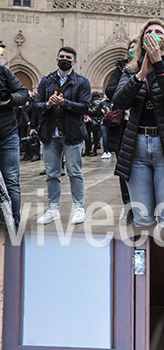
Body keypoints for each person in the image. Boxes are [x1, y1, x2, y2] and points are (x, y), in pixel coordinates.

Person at [111, 19, 164, 229]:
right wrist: (140, 75)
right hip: (136, 147)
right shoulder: (130, 71)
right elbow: (119, 101)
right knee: (142, 219)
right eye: (149, 32)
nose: (154, 35)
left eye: (159, 32)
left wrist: (159, 66)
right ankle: (145, 261)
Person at [34, 46, 91, 225]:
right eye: (61, 56)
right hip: (51, 134)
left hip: (71, 134)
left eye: (68, 57)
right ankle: (52, 208)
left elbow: (84, 107)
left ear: (74, 61)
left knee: (74, 172)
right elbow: (35, 105)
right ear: (56, 59)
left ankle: (79, 207)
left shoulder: (82, 82)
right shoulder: (46, 81)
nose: (64, 59)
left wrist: (64, 102)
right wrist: (48, 104)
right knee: (52, 173)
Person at [105, 38, 138, 211]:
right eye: (130, 48)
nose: (133, 51)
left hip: (141, 125)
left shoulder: (147, 67)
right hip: (123, 126)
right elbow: (110, 91)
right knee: (124, 168)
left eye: (136, 48)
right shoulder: (119, 70)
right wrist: (129, 84)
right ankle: (128, 205)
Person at [0, 60, 28, 226]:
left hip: (8, 134)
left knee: (11, 180)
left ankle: (14, 223)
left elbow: (23, 93)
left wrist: (9, 99)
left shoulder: (3, 71)